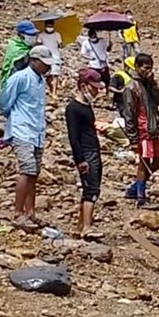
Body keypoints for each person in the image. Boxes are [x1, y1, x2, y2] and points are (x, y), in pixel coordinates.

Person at [0, 46, 51, 231]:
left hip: (36, 131)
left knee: (34, 172)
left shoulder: (40, 81)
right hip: (22, 130)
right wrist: (13, 119)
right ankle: (18, 212)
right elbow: (4, 102)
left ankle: (30, 212)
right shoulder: (20, 78)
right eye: (44, 64)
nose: (47, 68)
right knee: (26, 170)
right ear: (34, 61)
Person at [66, 69, 107, 238]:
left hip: (92, 149)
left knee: (88, 189)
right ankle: (87, 227)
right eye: (94, 88)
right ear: (83, 86)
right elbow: (73, 136)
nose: (96, 92)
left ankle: (80, 225)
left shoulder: (86, 106)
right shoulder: (73, 108)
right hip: (86, 152)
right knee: (91, 190)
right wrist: (80, 159)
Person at [120, 53, 159, 206]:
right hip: (142, 130)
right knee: (143, 162)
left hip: (152, 129)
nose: (148, 71)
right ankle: (140, 196)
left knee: (158, 161)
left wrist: (153, 84)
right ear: (138, 67)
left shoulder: (148, 84)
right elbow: (129, 114)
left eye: (150, 68)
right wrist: (132, 138)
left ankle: (135, 187)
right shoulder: (131, 87)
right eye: (145, 68)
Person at [0, 20, 38, 90]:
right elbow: (16, 66)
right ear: (21, 35)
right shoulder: (16, 47)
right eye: (30, 34)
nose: (33, 37)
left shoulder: (28, 46)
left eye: (34, 34)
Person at [37, 21, 63, 98]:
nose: (50, 28)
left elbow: (61, 45)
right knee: (48, 76)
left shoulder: (57, 35)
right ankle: (51, 90)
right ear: (45, 26)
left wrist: (60, 44)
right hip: (45, 57)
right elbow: (38, 44)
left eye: (51, 26)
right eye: (48, 26)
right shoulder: (41, 35)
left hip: (56, 57)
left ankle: (54, 92)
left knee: (55, 75)